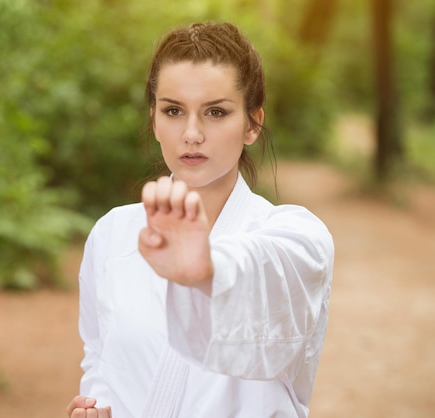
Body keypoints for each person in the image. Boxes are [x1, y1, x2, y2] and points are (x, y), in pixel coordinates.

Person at [66, 22, 334, 418]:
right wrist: (96, 407)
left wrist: (205, 270)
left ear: (252, 124)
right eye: (173, 110)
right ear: (154, 119)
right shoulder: (112, 233)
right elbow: (101, 359)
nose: (191, 134)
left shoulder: (295, 237)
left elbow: (266, 277)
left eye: (215, 112)